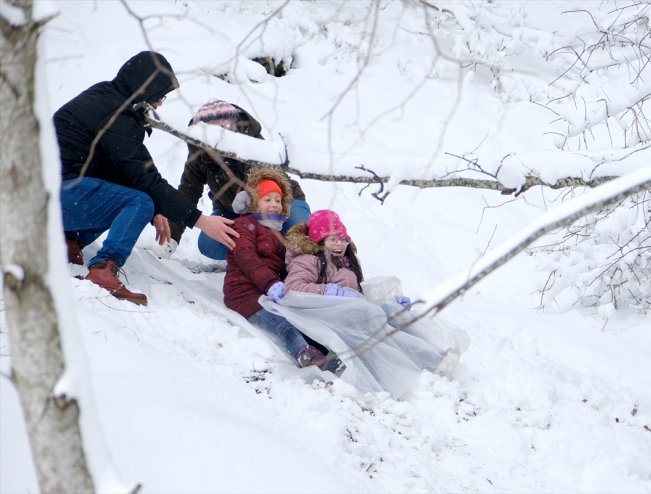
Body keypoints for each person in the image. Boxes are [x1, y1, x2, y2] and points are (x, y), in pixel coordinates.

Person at [54, 51, 239, 306]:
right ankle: (103, 270)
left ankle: (67, 242)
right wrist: (201, 221)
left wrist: (155, 209)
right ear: (145, 89)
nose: (160, 104)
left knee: (133, 200)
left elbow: (122, 172)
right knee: (138, 202)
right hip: (53, 195)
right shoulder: (115, 115)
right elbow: (145, 179)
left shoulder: (107, 99)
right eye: (159, 96)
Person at [259, 209, 463, 398]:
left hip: (351, 314)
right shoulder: (307, 260)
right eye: (333, 239)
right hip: (327, 316)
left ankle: (433, 357)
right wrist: (329, 291)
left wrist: (387, 301)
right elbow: (293, 288)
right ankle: (429, 362)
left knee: (394, 313)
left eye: (343, 239)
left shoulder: (346, 264)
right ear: (319, 240)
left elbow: (355, 295)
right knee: (378, 321)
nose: (339, 244)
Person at [222, 168, 344, 374]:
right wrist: (271, 284)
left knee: (300, 318)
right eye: (267, 199)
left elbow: (284, 267)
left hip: (266, 291)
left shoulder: (277, 232)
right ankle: (305, 354)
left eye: (278, 200)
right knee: (283, 324)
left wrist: (295, 285)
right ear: (253, 202)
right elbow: (247, 258)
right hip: (242, 293)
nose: (274, 204)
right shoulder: (243, 225)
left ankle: (326, 350)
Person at [165, 99, 310, 261]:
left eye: (226, 130)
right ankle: (254, 257)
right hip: (232, 211)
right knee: (209, 243)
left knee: (299, 231)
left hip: (281, 204)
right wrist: (171, 239)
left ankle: (290, 258)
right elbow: (187, 193)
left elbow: (265, 181)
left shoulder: (251, 145)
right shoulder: (199, 155)